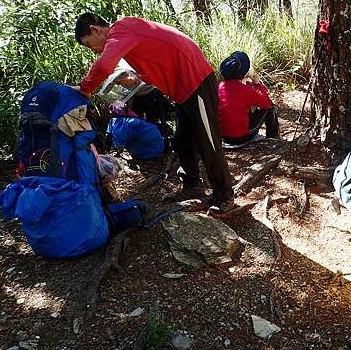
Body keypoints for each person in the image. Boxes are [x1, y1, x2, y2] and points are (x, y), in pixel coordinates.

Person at [73, 13, 233, 211]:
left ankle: (224, 196)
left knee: (208, 141)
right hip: (183, 90)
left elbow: (105, 65)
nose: (94, 51)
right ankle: (192, 186)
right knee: (182, 141)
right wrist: (137, 80)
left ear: (95, 30)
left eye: (90, 45)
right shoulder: (129, 32)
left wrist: (84, 90)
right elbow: (157, 63)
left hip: (196, 82)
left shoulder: (121, 30)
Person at [217, 51, 280, 145]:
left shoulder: (221, 86)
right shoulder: (245, 90)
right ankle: (273, 138)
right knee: (270, 106)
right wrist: (257, 84)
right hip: (241, 137)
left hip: (224, 136)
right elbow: (266, 103)